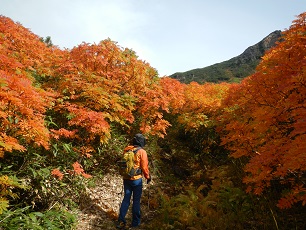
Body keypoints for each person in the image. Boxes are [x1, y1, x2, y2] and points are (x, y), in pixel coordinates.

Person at [117, 133, 151, 229]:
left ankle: (121, 221)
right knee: (136, 201)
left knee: (126, 199)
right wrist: (148, 177)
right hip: (136, 180)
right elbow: (144, 167)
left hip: (126, 178)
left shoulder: (127, 149)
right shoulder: (142, 152)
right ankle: (135, 222)